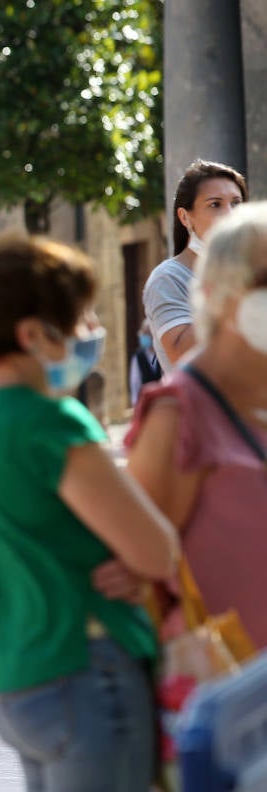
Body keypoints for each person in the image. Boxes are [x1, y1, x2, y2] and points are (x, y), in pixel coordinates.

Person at [0, 235, 178, 792]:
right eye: (81, 317)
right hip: (87, 671)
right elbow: (156, 550)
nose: (92, 332)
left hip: (18, 673)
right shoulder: (51, 420)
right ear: (33, 332)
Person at [128, 201, 267, 648]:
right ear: (214, 292)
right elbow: (135, 573)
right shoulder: (178, 414)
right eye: (262, 281)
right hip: (230, 678)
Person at [143, 159, 247, 369]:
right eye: (215, 204)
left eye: (236, 203)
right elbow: (182, 354)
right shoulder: (168, 278)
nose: (230, 214)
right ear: (185, 217)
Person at [127, 320, 162, 405]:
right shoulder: (138, 356)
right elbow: (135, 382)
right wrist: (135, 403)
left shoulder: (162, 353)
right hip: (146, 403)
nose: (144, 336)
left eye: (147, 333)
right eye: (143, 333)